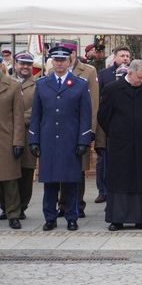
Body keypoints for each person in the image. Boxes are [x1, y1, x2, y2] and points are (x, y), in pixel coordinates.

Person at [29, 46, 92, 231]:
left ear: (69, 61)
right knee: (49, 183)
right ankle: (50, 217)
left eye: (62, 60)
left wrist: (83, 141)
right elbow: (36, 116)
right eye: (56, 60)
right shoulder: (42, 84)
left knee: (71, 182)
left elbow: (85, 116)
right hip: (48, 140)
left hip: (70, 141)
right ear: (51, 62)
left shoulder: (80, 84)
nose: (59, 63)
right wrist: (34, 140)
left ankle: (72, 217)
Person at [98, 60, 142, 231]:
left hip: (141, 143)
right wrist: (117, 131)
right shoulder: (112, 89)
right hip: (119, 144)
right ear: (130, 74)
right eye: (139, 78)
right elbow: (103, 116)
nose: (141, 81)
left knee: (141, 180)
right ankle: (117, 219)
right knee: (119, 180)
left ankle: (141, 218)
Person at [53, 42, 99, 219]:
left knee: (78, 169)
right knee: (60, 168)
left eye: (71, 52)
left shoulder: (88, 71)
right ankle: (62, 204)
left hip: (79, 127)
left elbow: (94, 102)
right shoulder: (53, 71)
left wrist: (91, 129)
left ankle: (78, 204)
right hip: (59, 128)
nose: (67, 56)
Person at [94, 45, 132, 205]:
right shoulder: (103, 75)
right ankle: (103, 190)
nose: (125, 58)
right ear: (115, 57)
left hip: (127, 124)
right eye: (122, 55)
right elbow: (98, 98)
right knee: (103, 159)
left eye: (127, 56)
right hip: (106, 123)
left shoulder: (133, 73)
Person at [9, 53, 37, 220]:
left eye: (28, 64)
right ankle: (7, 206)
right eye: (22, 63)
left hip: (27, 134)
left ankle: (21, 207)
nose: (25, 67)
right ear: (15, 63)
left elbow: (37, 110)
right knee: (8, 172)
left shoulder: (38, 85)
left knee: (26, 172)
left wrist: (17, 119)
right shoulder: (7, 81)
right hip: (7, 134)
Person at [0, 68, 25, 229]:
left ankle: (13, 214)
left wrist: (18, 141)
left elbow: (18, 116)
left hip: (6, 139)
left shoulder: (13, 86)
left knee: (9, 180)